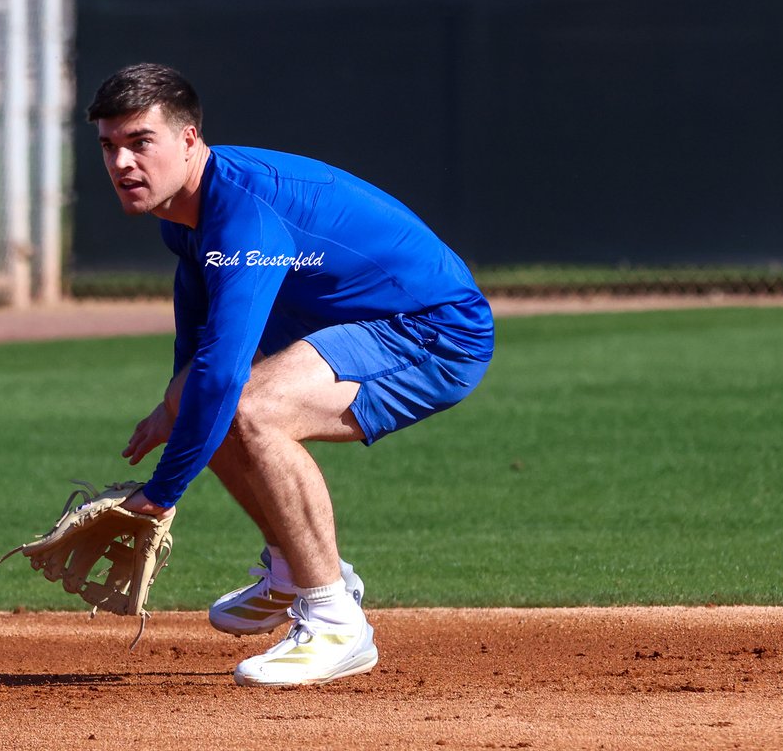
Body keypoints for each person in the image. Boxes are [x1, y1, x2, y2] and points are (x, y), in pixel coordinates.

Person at [87, 63, 494, 687]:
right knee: (198, 396)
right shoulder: (185, 211)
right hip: (359, 323)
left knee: (250, 408)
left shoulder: (244, 218)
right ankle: (290, 567)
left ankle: (336, 621)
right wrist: (172, 406)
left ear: (190, 140)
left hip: (434, 329)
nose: (121, 163)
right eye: (109, 146)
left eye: (141, 141)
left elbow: (225, 373)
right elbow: (197, 333)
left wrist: (163, 493)